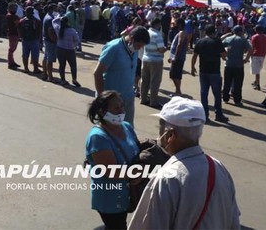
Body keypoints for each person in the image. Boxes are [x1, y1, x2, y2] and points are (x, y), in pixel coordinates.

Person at [129, 96, 240, 229]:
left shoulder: (167, 177)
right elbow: (233, 221)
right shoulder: (219, 168)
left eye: (160, 128)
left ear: (170, 135)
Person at [85, 90, 140, 230]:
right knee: (117, 225)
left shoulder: (126, 127)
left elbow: (137, 151)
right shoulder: (98, 137)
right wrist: (136, 174)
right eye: (116, 108)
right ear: (103, 112)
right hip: (110, 198)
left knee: (115, 225)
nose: (121, 110)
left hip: (127, 193)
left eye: (122, 106)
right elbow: (110, 171)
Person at [94, 26, 150, 126]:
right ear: (131, 38)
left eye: (142, 47)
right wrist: (102, 98)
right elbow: (97, 73)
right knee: (108, 130)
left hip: (128, 98)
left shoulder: (134, 49)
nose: (139, 48)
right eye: (138, 45)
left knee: (127, 130)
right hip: (111, 101)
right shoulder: (114, 48)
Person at [191, 25, 228, 122]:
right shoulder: (217, 42)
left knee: (204, 94)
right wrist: (227, 52)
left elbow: (194, 56)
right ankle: (218, 114)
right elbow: (224, 56)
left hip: (203, 71)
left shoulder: (200, 41)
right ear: (214, 32)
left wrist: (192, 67)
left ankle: (205, 115)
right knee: (217, 94)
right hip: (214, 71)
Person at [221, 25, 252, 105]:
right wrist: (246, 59)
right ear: (240, 32)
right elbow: (250, 49)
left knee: (227, 83)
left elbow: (220, 46)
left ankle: (225, 99)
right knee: (238, 84)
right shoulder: (243, 40)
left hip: (228, 64)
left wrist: (223, 56)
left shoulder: (228, 39)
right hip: (239, 65)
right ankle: (237, 100)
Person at [140, 18, 166, 108]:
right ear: (158, 25)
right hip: (156, 60)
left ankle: (143, 99)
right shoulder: (157, 35)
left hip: (145, 58)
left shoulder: (146, 32)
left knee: (144, 80)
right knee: (154, 81)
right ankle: (153, 101)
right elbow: (161, 49)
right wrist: (166, 48)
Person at [53, 16, 80, 87]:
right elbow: (77, 40)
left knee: (62, 65)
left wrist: (59, 17)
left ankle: (63, 80)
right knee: (73, 65)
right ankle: (74, 79)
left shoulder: (58, 28)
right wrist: (74, 46)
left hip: (60, 49)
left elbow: (54, 21)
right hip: (70, 50)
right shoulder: (72, 30)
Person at [18, 7, 42, 74]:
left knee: (25, 54)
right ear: (33, 13)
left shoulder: (22, 20)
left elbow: (19, 29)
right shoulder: (37, 21)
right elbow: (39, 31)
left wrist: (21, 37)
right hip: (34, 40)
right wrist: (38, 39)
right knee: (35, 55)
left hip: (25, 40)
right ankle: (35, 69)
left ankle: (26, 68)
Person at [168, 18, 188, 96]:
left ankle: (178, 91)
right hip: (178, 57)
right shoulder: (181, 32)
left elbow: (179, 45)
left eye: (175, 23)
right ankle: (177, 91)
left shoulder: (181, 33)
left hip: (178, 58)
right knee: (175, 74)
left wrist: (175, 57)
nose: (174, 24)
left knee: (174, 74)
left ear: (179, 24)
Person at [41, 4, 58, 82]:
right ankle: (50, 77)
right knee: (50, 59)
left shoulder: (47, 16)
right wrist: (54, 40)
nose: (57, 10)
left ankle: (45, 74)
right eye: (56, 8)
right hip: (50, 40)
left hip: (46, 39)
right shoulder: (50, 19)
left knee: (46, 57)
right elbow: (50, 31)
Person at [250, 26, 266, 90]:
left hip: (256, 55)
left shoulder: (254, 37)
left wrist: (251, 54)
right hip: (262, 55)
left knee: (257, 71)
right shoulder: (265, 36)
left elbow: (252, 47)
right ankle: (256, 81)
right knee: (258, 69)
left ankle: (257, 85)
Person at [6, 3, 21, 70]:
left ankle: (12, 61)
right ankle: (10, 63)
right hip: (13, 33)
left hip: (13, 33)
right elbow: (18, 23)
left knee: (12, 49)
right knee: (11, 49)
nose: (14, 9)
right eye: (13, 8)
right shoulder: (11, 16)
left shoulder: (11, 15)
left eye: (15, 8)